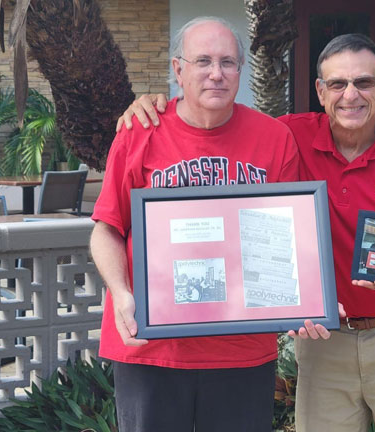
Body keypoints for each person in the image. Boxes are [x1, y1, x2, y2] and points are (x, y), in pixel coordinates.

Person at [118, 33, 375, 432]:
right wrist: (157, 105)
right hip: (324, 342)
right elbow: (218, 113)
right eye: (337, 84)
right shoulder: (286, 136)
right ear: (320, 91)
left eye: (363, 82)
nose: (350, 95)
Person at [90, 16, 299, 432]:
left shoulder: (274, 138)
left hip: (242, 351)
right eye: (203, 60)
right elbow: (106, 228)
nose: (216, 73)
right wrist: (121, 292)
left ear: (241, 71)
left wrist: (300, 300)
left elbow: (289, 237)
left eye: (228, 62)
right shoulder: (138, 131)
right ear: (177, 69)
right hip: (151, 346)